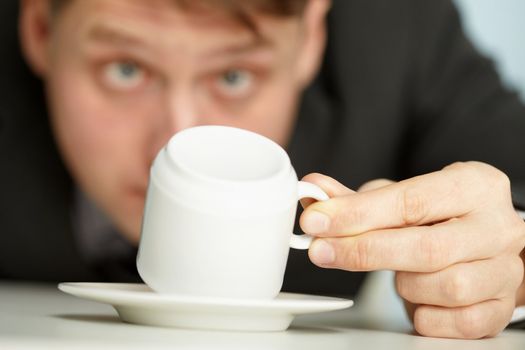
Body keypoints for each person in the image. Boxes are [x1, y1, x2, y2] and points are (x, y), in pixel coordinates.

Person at [1, 0, 525, 339]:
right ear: (39, 28)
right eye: (125, 70)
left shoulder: (398, 32)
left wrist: (504, 262)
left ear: (311, 38)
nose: (176, 143)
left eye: (233, 76)